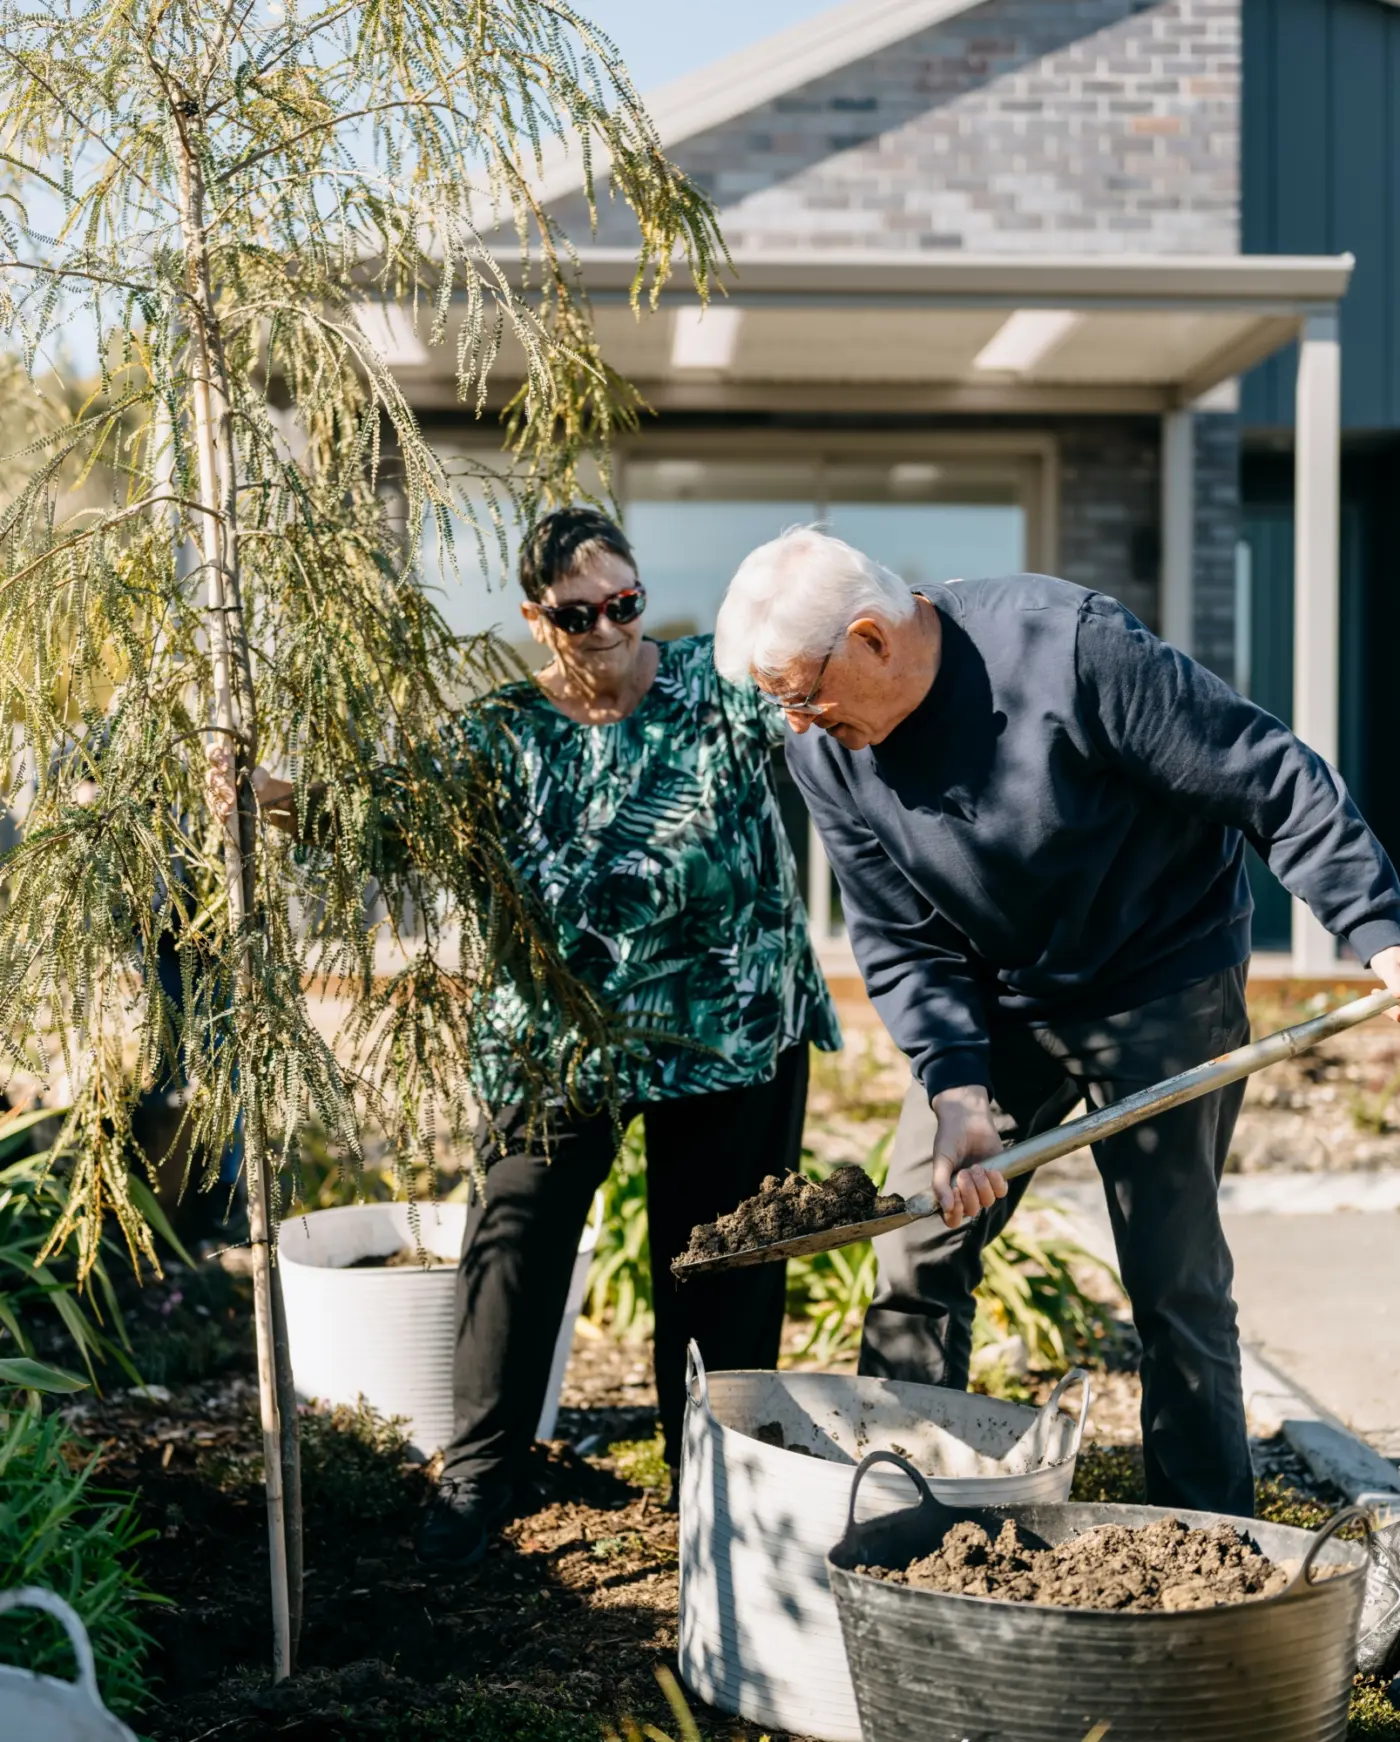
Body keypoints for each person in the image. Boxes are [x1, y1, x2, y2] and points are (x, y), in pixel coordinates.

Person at [714, 528, 1400, 1519]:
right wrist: (954, 1093)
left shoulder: (1066, 649)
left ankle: (1204, 1528)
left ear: (869, 638)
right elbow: (901, 937)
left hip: (1160, 975)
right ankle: (907, 1505)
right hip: (1000, 1001)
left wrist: (1378, 933)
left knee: (1173, 1277)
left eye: (800, 690)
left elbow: (1270, 779)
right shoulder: (827, 754)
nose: (796, 719)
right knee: (915, 1233)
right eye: (778, 700)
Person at [213, 507, 839, 1567]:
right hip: (556, 1041)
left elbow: (827, 703)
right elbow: (375, 818)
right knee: (515, 1247)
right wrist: (259, 792)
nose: (607, 627)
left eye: (625, 602)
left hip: (726, 1027)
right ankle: (478, 1477)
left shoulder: (715, 686)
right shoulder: (497, 731)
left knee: (720, 1265)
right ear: (537, 617)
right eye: (579, 612)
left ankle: (716, 1484)